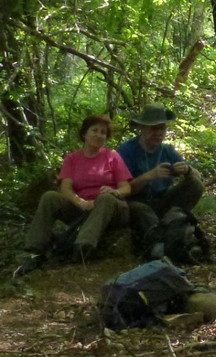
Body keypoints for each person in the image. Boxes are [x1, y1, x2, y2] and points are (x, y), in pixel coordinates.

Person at [15, 114, 133, 274]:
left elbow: (126, 188)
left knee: (105, 198)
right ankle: (35, 251)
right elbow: (65, 188)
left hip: (111, 208)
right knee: (49, 197)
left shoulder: (112, 156)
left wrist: (115, 192)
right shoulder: (72, 159)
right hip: (83, 208)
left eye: (103, 132)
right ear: (84, 133)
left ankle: (82, 247)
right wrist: (79, 202)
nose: (99, 135)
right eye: (95, 130)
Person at [117, 103, 204, 249]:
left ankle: (173, 224)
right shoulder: (127, 150)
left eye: (162, 128)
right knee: (140, 209)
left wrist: (187, 170)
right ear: (142, 128)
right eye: (154, 128)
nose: (158, 133)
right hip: (136, 202)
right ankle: (161, 238)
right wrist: (149, 176)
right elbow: (123, 190)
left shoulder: (167, 150)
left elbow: (198, 176)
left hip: (163, 201)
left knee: (195, 184)